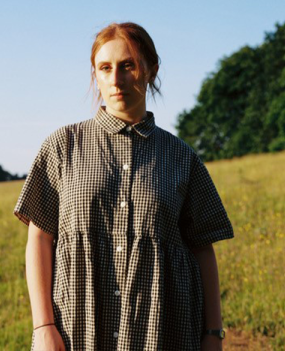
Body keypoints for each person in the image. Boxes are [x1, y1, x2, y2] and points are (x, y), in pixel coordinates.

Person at [13, 22, 234, 351]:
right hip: (77, 327)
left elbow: (202, 249)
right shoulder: (62, 146)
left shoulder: (182, 157)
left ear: (151, 70)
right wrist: (43, 326)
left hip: (162, 328)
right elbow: (40, 237)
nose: (115, 80)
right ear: (95, 75)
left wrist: (213, 334)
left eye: (127, 66)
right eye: (105, 68)